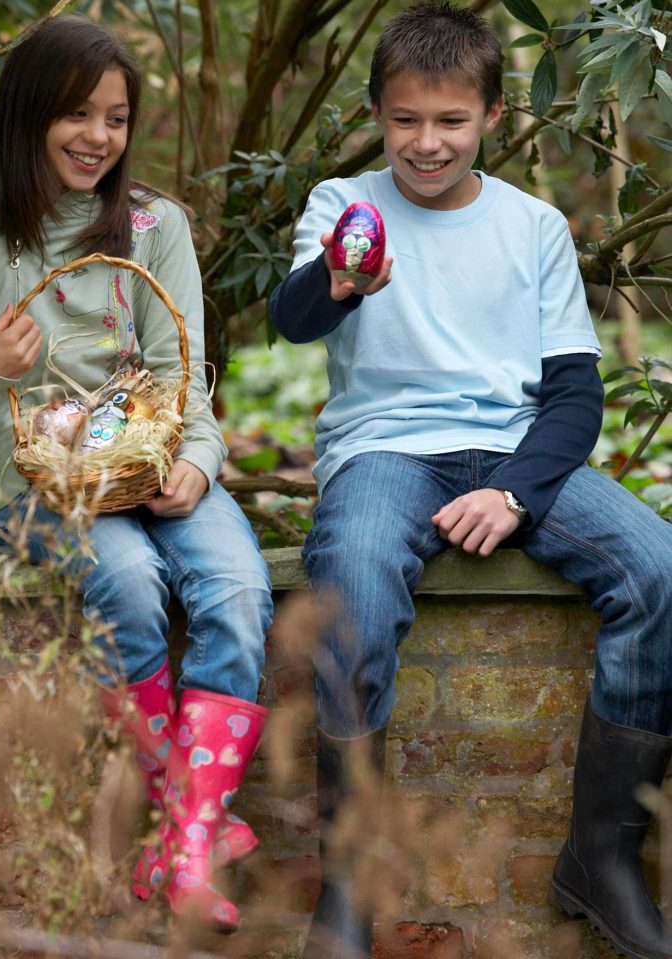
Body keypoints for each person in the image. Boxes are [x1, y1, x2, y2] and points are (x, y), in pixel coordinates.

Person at [269, 3, 672, 957]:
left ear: (494, 116)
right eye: (406, 119)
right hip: (385, 451)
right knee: (357, 574)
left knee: (659, 568)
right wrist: (338, 281)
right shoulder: (343, 208)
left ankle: (603, 858)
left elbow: (574, 397)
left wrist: (517, 492)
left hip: (516, 455)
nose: (426, 142)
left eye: (451, 121)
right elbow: (290, 321)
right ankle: (348, 881)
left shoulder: (530, 226)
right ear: (376, 112)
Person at [0, 15, 273, 932]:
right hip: (37, 485)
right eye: (75, 114)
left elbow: (183, 376)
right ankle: (196, 832)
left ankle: (181, 840)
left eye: (115, 118)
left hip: (150, 464)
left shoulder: (155, 225)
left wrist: (197, 460)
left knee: (235, 584)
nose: (97, 137)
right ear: (27, 114)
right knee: (132, 583)